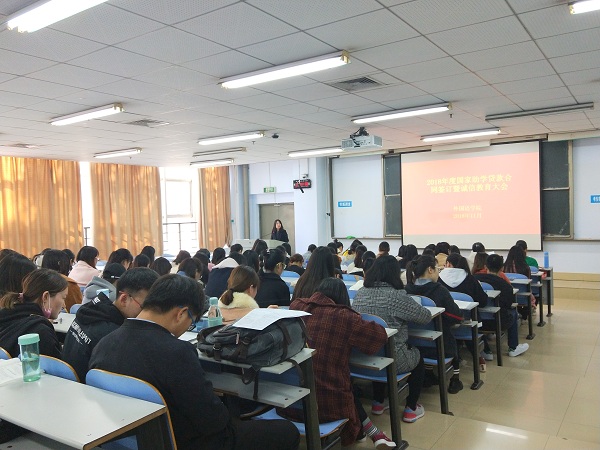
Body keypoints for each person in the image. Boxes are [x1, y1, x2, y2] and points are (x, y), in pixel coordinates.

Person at [89, 274, 300, 450]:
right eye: (192, 321)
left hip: (131, 438)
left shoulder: (105, 343)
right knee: (287, 431)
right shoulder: (176, 352)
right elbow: (214, 422)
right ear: (181, 314)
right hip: (186, 441)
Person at [287, 278, 396, 448]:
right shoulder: (346, 317)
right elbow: (379, 337)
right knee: (342, 382)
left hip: (291, 401)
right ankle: (371, 433)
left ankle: (369, 432)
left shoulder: (297, 306)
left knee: (333, 379)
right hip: (330, 406)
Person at [352, 256, 432, 423]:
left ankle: (378, 402)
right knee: (417, 357)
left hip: (362, 356)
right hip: (392, 359)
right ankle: (411, 408)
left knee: (379, 346)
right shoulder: (396, 296)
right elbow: (425, 317)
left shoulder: (361, 293)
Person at [62, 268, 159, 381]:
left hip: (67, 382)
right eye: (145, 307)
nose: (150, 314)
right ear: (124, 299)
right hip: (86, 388)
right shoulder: (114, 335)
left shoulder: (92, 310)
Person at [405, 255, 464, 394]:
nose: (439, 272)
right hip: (438, 347)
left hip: (412, 344)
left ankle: (428, 374)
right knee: (451, 335)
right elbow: (456, 316)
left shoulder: (407, 290)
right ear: (430, 270)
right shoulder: (439, 291)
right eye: (438, 269)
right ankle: (455, 379)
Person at [0, 269, 67, 358]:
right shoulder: (40, 332)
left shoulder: (8, 314)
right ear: (45, 297)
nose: (64, 305)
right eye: (63, 298)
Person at [474, 254, 529, 358]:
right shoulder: (505, 286)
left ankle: (485, 350)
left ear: (485, 266)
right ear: (502, 268)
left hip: (477, 322)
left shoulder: (474, 279)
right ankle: (513, 348)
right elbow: (509, 304)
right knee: (513, 312)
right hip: (498, 322)